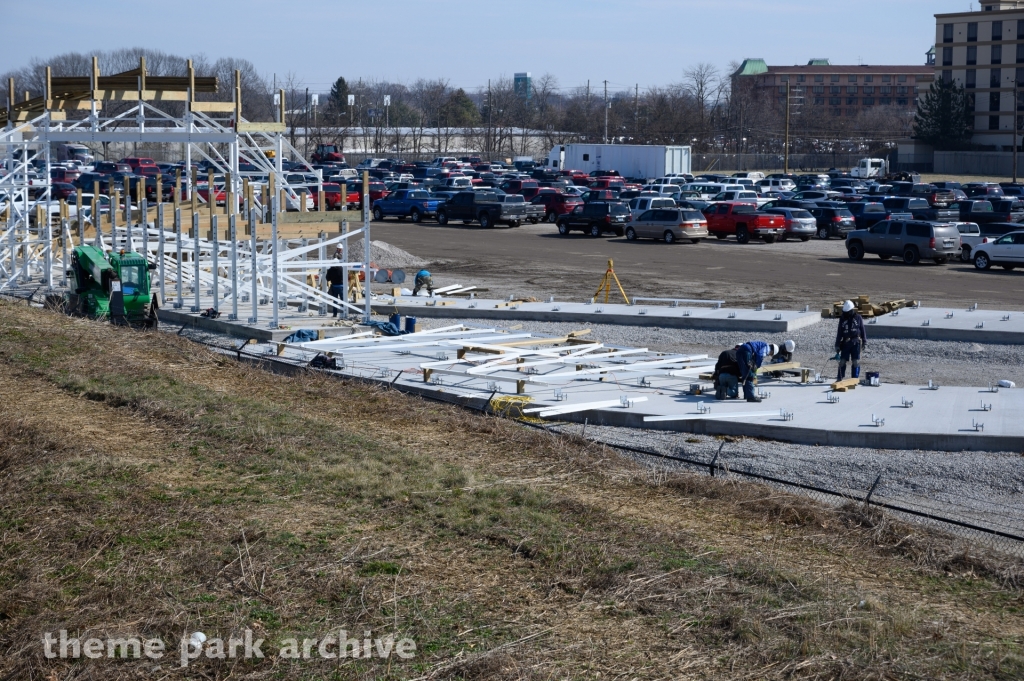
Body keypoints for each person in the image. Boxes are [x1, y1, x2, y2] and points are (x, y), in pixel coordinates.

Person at [835, 300, 866, 381]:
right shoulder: (842, 319)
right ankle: (839, 378)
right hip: (845, 343)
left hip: (856, 342)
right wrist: (837, 344)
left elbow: (862, 330)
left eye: (847, 312)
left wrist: (864, 341)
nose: (845, 314)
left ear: (851, 310)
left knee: (856, 362)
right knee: (842, 361)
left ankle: (854, 379)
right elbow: (839, 332)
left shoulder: (858, 318)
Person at [325, 250, 346, 317]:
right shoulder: (342, 268)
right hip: (341, 286)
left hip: (334, 286)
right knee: (343, 300)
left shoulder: (331, 269)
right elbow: (345, 277)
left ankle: (335, 314)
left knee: (335, 301)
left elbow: (327, 278)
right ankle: (344, 313)